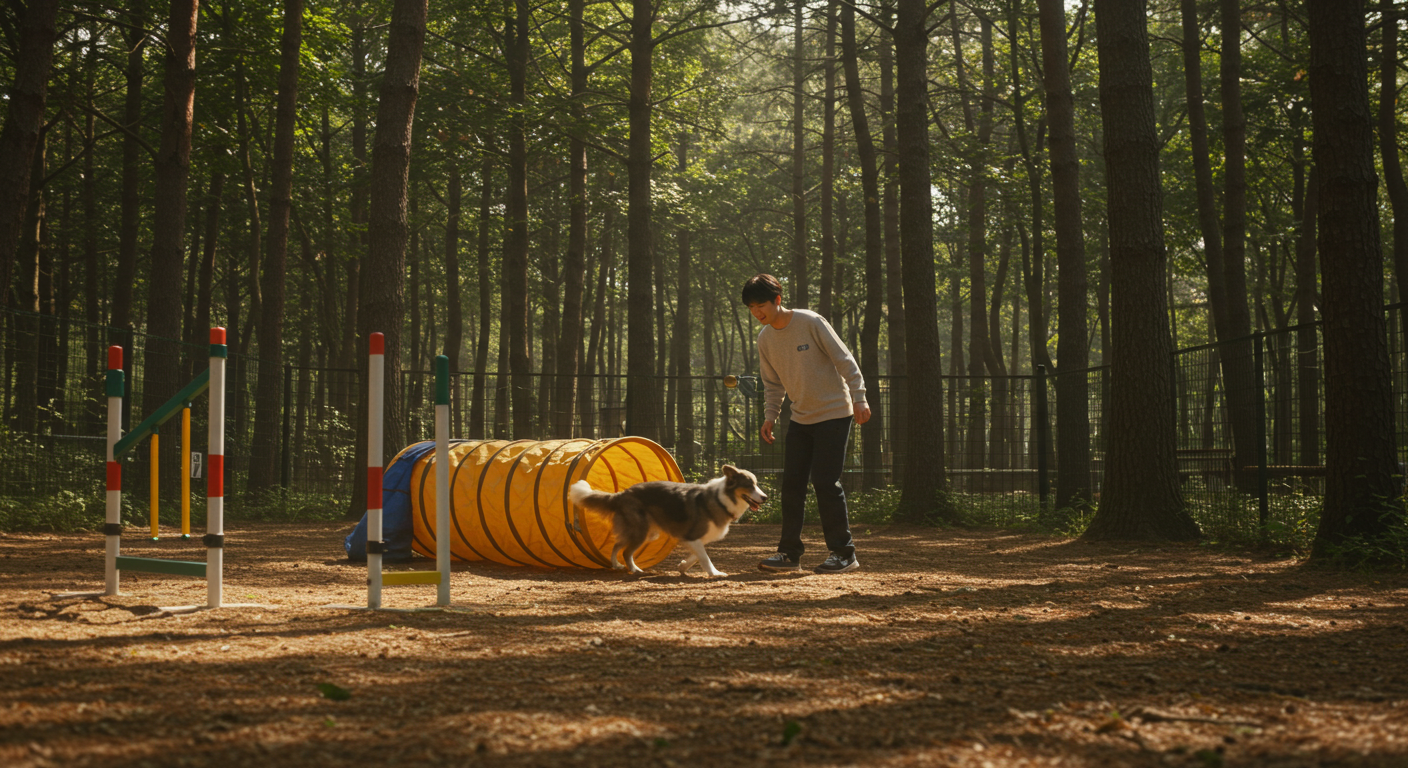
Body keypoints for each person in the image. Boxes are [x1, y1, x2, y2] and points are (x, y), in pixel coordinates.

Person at [741, 273, 870, 574]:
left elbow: (845, 360)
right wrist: (770, 415)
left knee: (826, 482)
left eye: (760, 304)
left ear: (777, 299)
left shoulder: (811, 322)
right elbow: (772, 384)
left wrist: (860, 397)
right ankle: (789, 554)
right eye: (751, 308)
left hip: (836, 412)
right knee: (792, 485)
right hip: (801, 417)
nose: (757, 312)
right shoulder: (765, 339)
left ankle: (843, 553)